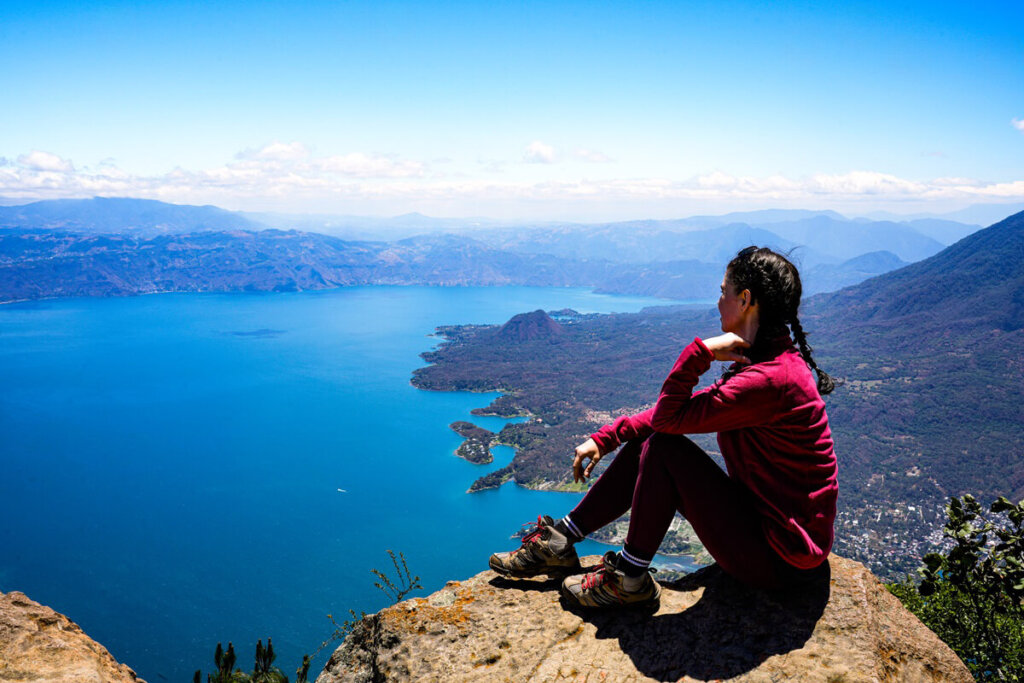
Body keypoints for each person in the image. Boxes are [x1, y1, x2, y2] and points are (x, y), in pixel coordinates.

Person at [488, 246, 838, 609]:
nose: (718, 301)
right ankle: (561, 539)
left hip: (780, 560)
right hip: (771, 535)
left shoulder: (771, 379)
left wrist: (699, 352)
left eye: (723, 291)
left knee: (662, 448)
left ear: (746, 299)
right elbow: (678, 414)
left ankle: (629, 579)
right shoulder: (768, 363)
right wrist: (607, 438)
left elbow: (670, 419)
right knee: (652, 443)